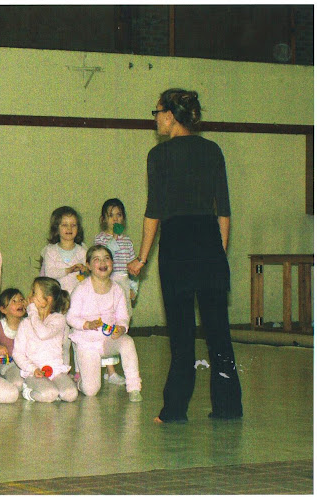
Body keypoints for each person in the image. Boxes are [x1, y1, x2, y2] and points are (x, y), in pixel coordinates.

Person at [128, 88, 242, 423]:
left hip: (177, 245)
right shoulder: (212, 150)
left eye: (157, 112)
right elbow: (224, 209)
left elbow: (154, 212)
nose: (156, 120)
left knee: (181, 334)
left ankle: (175, 410)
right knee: (218, 330)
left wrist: (143, 257)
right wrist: (217, 252)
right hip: (208, 241)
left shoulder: (159, 155)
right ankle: (228, 407)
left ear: (169, 114)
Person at [67, 245, 142, 402]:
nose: (102, 262)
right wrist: (87, 325)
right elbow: (71, 318)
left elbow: (123, 316)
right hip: (87, 343)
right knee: (91, 391)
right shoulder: (81, 289)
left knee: (127, 342)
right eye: (96, 259)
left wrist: (122, 327)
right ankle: (79, 380)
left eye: (106, 258)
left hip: (108, 340)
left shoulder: (117, 289)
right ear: (88, 265)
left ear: (112, 264)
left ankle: (134, 387)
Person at [94, 198, 138, 385]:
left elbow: (133, 267)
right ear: (104, 219)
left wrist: (133, 287)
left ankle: (119, 366)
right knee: (107, 324)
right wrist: (112, 239)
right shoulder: (101, 239)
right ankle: (109, 370)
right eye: (111, 215)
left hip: (123, 282)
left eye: (119, 215)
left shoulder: (127, 241)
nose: (115, 219)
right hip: (107, 283)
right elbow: (101, 260)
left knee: (121, 323)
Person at [12, 277, 78, 403]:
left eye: (34, 293)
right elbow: (17, 353)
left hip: (55, 370)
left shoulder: (58, 320)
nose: (29, 297)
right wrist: (32, 369)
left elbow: (43, 333)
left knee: (70, 394)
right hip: (34, 371)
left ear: (46, 301)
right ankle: (29, 392)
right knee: (49, 394)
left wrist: (32, 311)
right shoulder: (26, 323)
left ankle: (52, 389)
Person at [39, 206, 88, 371]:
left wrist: (85, 269)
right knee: (63, 339)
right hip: (58, 303)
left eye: (73, 225)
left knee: (79, 338)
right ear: (56, 228)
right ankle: (63, 370)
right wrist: (69, 269)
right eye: (64, 225)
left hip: (78, 303)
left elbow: (89, 275)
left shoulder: (82, 251)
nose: (69, 229)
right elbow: (50, 273)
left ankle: (80, 372)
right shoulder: (50, 251)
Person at [0, 288, 26, 390]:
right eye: (14, 301)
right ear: (3, 309)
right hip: (1, 363)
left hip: (21, 365)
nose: (20, 303)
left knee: (18, 383)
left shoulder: (27, 324)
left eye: (21, 300)